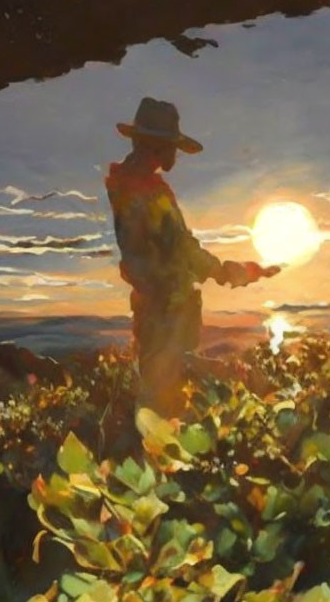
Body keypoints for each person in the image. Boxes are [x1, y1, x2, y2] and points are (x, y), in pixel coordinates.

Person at [105, 97, 280, 416]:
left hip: (155, 307)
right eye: (172, 146)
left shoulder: (126, 186)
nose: (175, 154)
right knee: (171, 395)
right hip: (167, 310)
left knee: (163, 394)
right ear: (157, 146)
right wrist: (234, 272)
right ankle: (252, 387)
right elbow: (183, 248)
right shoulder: (147, 193)